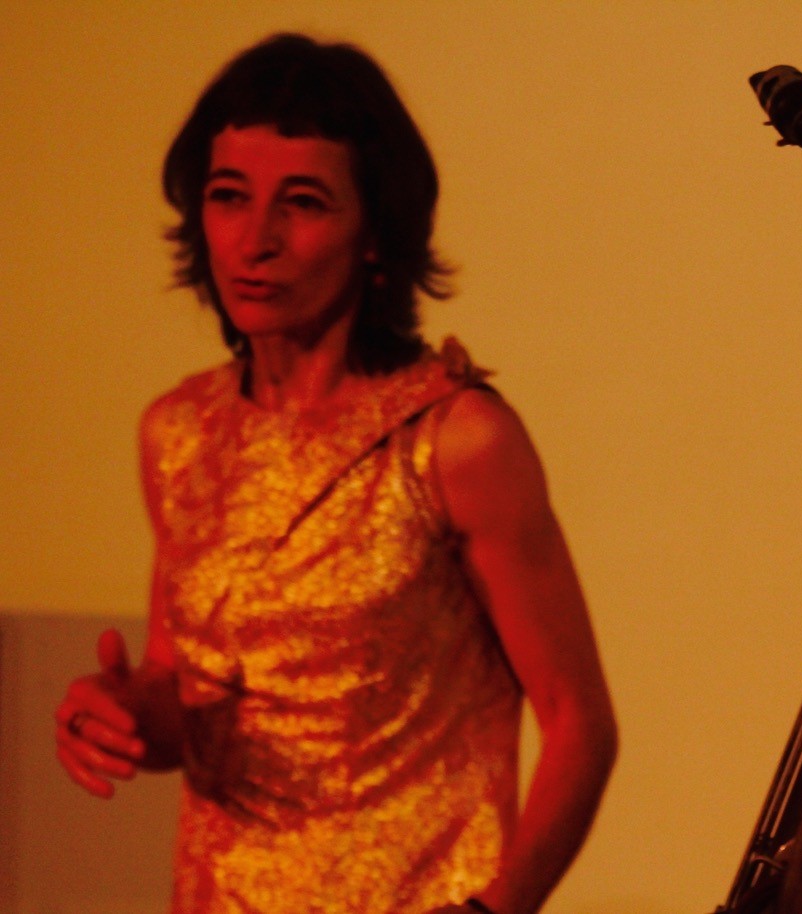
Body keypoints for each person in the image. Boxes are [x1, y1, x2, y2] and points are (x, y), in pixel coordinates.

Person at [53, 33, 617, 914]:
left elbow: (579, 720)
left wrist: (495, 908)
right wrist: (120, 713)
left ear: (376, 234)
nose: (257, 240)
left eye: (304, 203)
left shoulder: (455, 439)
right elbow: (183, 693)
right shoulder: (177, 432)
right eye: (228, 196)